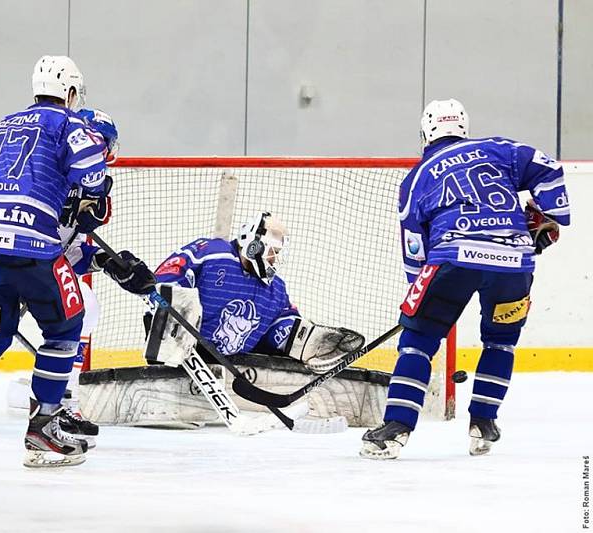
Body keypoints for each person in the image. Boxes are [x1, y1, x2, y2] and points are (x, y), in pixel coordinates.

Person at [0, 56, 153, 468]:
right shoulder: (69, 126)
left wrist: (108, 262)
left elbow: (66, 240)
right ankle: (45, 424)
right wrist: (93, 190)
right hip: (27, 249)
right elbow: (91, 176)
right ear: (71, 93)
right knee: (66, 325)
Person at [360, 99, 571, 459]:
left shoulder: (417, 177)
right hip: (514, 263)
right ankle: (483, 425)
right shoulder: (500, 149)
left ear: (426, 132)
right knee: (501, 342)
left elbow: (415, 248)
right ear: (463, 127)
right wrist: (551, 215)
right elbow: (548, 168)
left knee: (418, 342)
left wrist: (418, 299)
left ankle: (396, 428)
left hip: (453, 259)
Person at [146, 211, 364, 374]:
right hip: (181, 354)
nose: (275, 260)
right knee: (178, 300)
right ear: (254, 245)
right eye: (273, 252)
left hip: (229, 367)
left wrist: (312, 341)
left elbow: (281, 329)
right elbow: (167, 279)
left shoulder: (275, 290)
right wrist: (158, 289)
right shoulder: (213, 254)